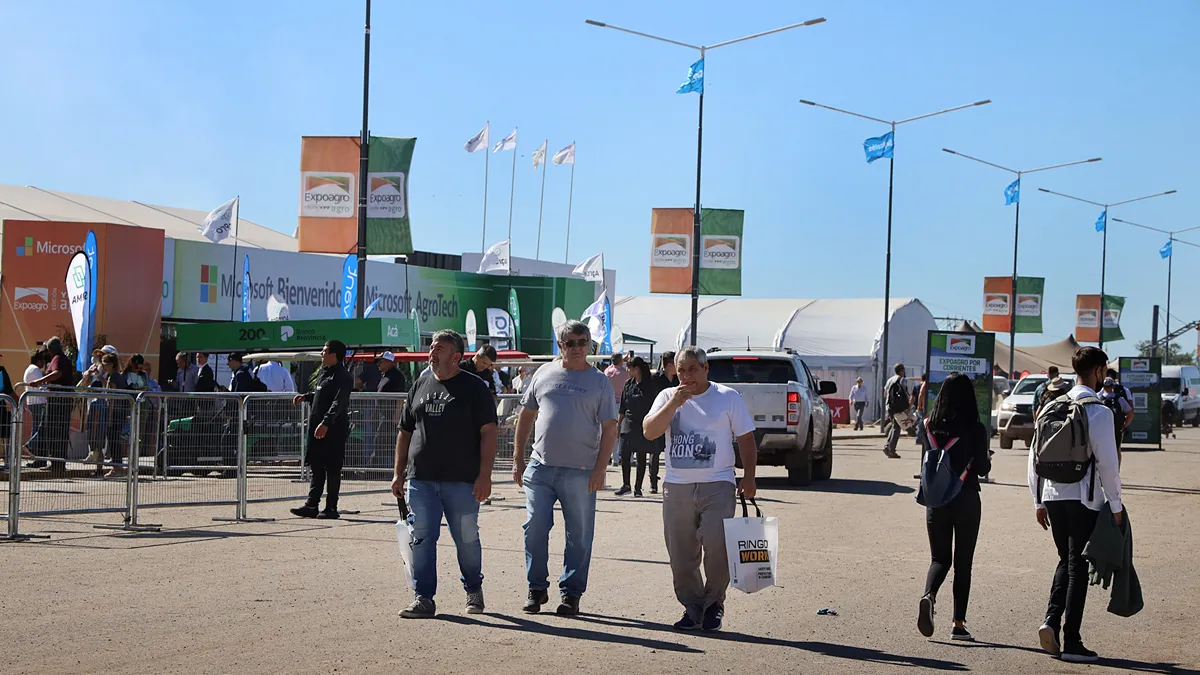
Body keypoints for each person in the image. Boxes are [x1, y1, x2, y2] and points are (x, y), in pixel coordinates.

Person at [643, 346, 757, 633]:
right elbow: (649, 431)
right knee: (681, 556)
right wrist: (674, 405)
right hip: (677, 485)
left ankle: (713, 603)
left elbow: (746, 439)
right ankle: (693, 608)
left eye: (692, 369)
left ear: (706, 369)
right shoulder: (667, 397)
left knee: (717, 545)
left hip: (718, 483)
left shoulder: (727, 397)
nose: (686, 376)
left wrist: (750, 477)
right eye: (681, 370)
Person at [512, 320, 617, 616]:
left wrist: (600, 469)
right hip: (540, 467)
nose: (578, 348)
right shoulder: (543, 373)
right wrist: (519, 457)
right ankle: (536, 589)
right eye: (570, 343)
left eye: (583, 342)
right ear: (560, 346)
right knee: (534, 528)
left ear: (589, 345)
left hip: (581, 470)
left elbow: (610, 428)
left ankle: (571, 593)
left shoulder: (599, 381)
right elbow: (526, 414)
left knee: (580, 535)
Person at [392, 330, 498, 618]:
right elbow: (405, 431)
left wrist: (485, 475)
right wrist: (398, 473)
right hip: (422, 480)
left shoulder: (474, 387)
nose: (432, 351)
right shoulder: (419, 385)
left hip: (462, 481)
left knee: (466, 538)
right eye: (432, 346)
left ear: (457, 356)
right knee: (422, 538)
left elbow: (489, 432)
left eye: (440, 348)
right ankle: (423, 597)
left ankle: (473, 588)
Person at [1029, 346, 1123, 663]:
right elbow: (1108, 464)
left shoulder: (1052, 406)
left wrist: (1037, 500)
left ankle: (1051, 621)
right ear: (1097, 372)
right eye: (1104, 371)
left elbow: (1034, 457)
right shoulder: (1099, 411)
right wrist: (1116, 504)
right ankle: (1072, 642)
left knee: (1065, 561)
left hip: (1054, 496)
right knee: (1077, 566)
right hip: (1085, 498)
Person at [916, 373, 992, 642]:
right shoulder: (975, 428)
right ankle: (958, 624)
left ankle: (929, 595)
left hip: (936, 500)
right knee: (963, 563)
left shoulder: (928, 425)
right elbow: (983, 468)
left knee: (939, 559)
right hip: (967, 497)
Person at [290, 340, 353, 520]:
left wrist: (326, 422)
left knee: (332, 468)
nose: (322, 354)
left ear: (334, 354)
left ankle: (331, 508)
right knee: (316, 466)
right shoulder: (324, 373)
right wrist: (307, 397)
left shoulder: (342, 376)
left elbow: (338, 402)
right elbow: (322, 395)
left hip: (333, 429)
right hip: (316, 428)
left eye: (325, 351)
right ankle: (312, 505)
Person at [29, 337, 77, 473]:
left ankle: (57, 463)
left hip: (58, 402)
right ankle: (57, 463)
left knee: (53, 431)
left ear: (51, 349)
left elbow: (57, 373)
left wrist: (40, 381)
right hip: (61, 401)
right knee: (57, 431)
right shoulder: (63, 359)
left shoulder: (58, 359)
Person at [616, 357, 661, 497]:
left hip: (643, 424)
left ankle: (638, 487)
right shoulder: (628, 384)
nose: (628, 371)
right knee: (624, 454)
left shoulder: (650, 385)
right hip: (628, 423)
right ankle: (626, 484)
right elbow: (623, 407)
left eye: (629, 368)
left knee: (641, 456)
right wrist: (618, 425)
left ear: (637, 369)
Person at [80, 352, 130, 477]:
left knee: (113, 441)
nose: (103, 366)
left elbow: (112, 398)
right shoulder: (117, 376)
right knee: (115, 440)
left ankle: (116, 468)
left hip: (115, 413)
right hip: (121, 412)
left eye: (105, 363)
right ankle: (118, 466)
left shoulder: (113, 377)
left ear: (111, 364)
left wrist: (109, 417)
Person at [21, 349, 48, 460]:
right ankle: (30, 445)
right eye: (42, 360)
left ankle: (35, 454)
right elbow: (41, 385)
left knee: (36, 427)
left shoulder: (28, 369)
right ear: (38, 361)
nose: (43, 363)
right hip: (39, 402)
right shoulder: (35, 370)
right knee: (42, 428)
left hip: (32, 402)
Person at [1100, 377, 1134, 456]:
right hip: (1117, 429)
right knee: (1115, 451)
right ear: (1113, 387)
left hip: (1102, 430)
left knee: (1101, 452)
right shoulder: (1120, 399)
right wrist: (1124, 425)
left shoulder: (1098, 398)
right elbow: (1131, 413)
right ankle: (1116, 468)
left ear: (1103, 387)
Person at [883, 363, 909, 459]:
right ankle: (891, 449)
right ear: (901, 371)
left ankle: (887, 446)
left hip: (889, 406)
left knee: (895, 426)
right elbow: (905, 393)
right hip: (897, 407)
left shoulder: (890, 379)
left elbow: (885, 393)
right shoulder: (902, 380)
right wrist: (906, 405)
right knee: (897, 428)